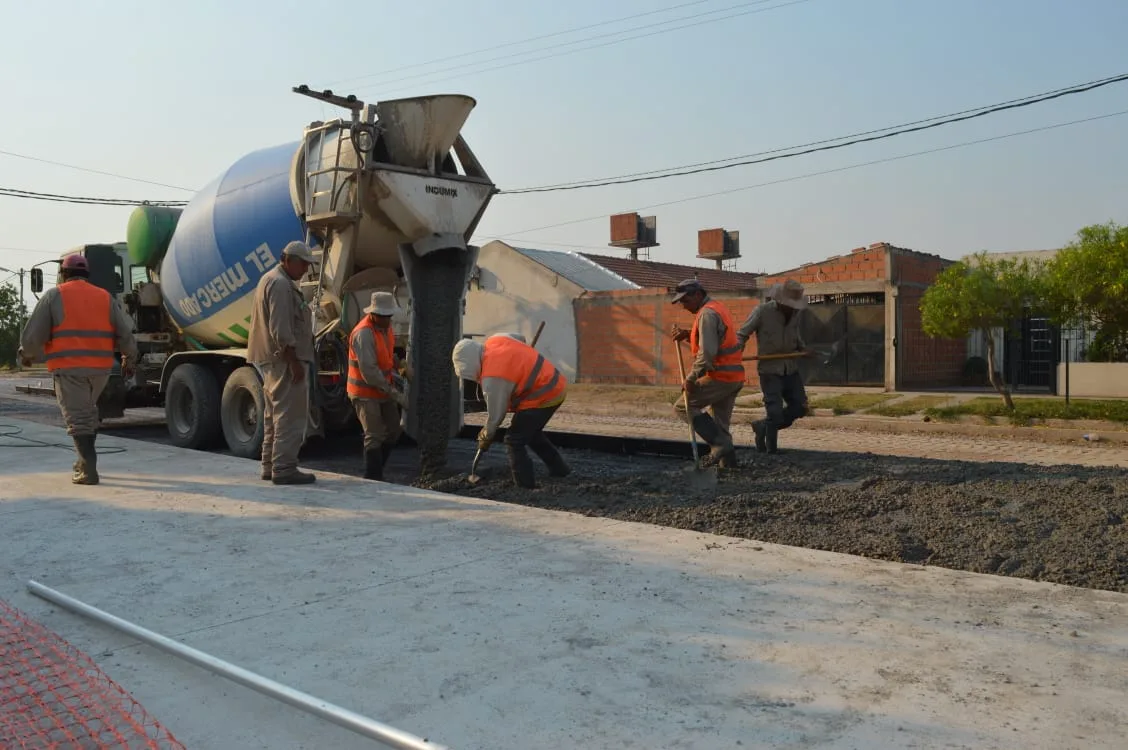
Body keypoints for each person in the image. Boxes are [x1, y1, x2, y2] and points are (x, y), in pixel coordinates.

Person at [18, 253, 138, 485]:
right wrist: (129, 358)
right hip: (101, 370)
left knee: (79, 418)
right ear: (87, 274)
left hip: (70, 369)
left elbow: (33, 337)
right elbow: (125, 333)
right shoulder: (104, 297)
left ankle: (88, 471)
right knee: (88, 413)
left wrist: (26, 355)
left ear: (63, 274)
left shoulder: (54, 295)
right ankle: (83, 463)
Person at [451, 333, 570, 489]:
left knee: (513, 439)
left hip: (543, 395)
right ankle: (560, 469)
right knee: (530, 433)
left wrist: (486, 435)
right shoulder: (496, 339)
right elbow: (520, 338)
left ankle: (524, 486)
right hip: (556, 383)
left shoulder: (492, 376)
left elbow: (496, 415)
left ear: (471, 363)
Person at [246, 241, 318, 485]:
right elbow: (281, 330)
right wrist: (294, 362)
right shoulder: (280, 285)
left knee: (273, 416)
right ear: (288, 260)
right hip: (284, 361)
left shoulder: (270, 279)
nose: (306, 270)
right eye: (303, 264)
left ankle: (270, 465)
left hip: (272, 360)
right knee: (289, 416)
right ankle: (285, 468)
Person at [669, 279, 746, 468]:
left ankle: (719, 444)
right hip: (734, 376)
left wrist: (691, 377)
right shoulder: (717, 307)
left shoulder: (707, 314)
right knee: (720, 426)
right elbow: (715, 340)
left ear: (698, 295)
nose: (684, 306)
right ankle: (729, 467)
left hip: (719, 377)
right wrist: (688, 335)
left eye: (686, 301)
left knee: (683, 406)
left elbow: (707, 354)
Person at [736, 278, 814, 454]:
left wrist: (803, 349)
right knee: (775, 413)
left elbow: (795, 335)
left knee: (800, 408)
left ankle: (762, 426)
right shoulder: (762, 312)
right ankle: (771, 450)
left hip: (791, 368)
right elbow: (741, 334)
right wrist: (735, 354)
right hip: (770, 371)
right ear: (780, 300)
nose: (793, 307)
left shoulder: (795, 314)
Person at [346, 291, 408, 480]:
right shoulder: (363, 334)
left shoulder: (386, 329)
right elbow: (370, 372)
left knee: (394, 431)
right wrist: (396, 394)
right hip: (364, 392)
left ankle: (377, 469)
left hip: (382, 389)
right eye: (383, 316)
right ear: (373, 314)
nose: (387, 320)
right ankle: (373, 477)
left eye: (389, 316)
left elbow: (387, 356)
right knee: (374, 434)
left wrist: (401, 365)